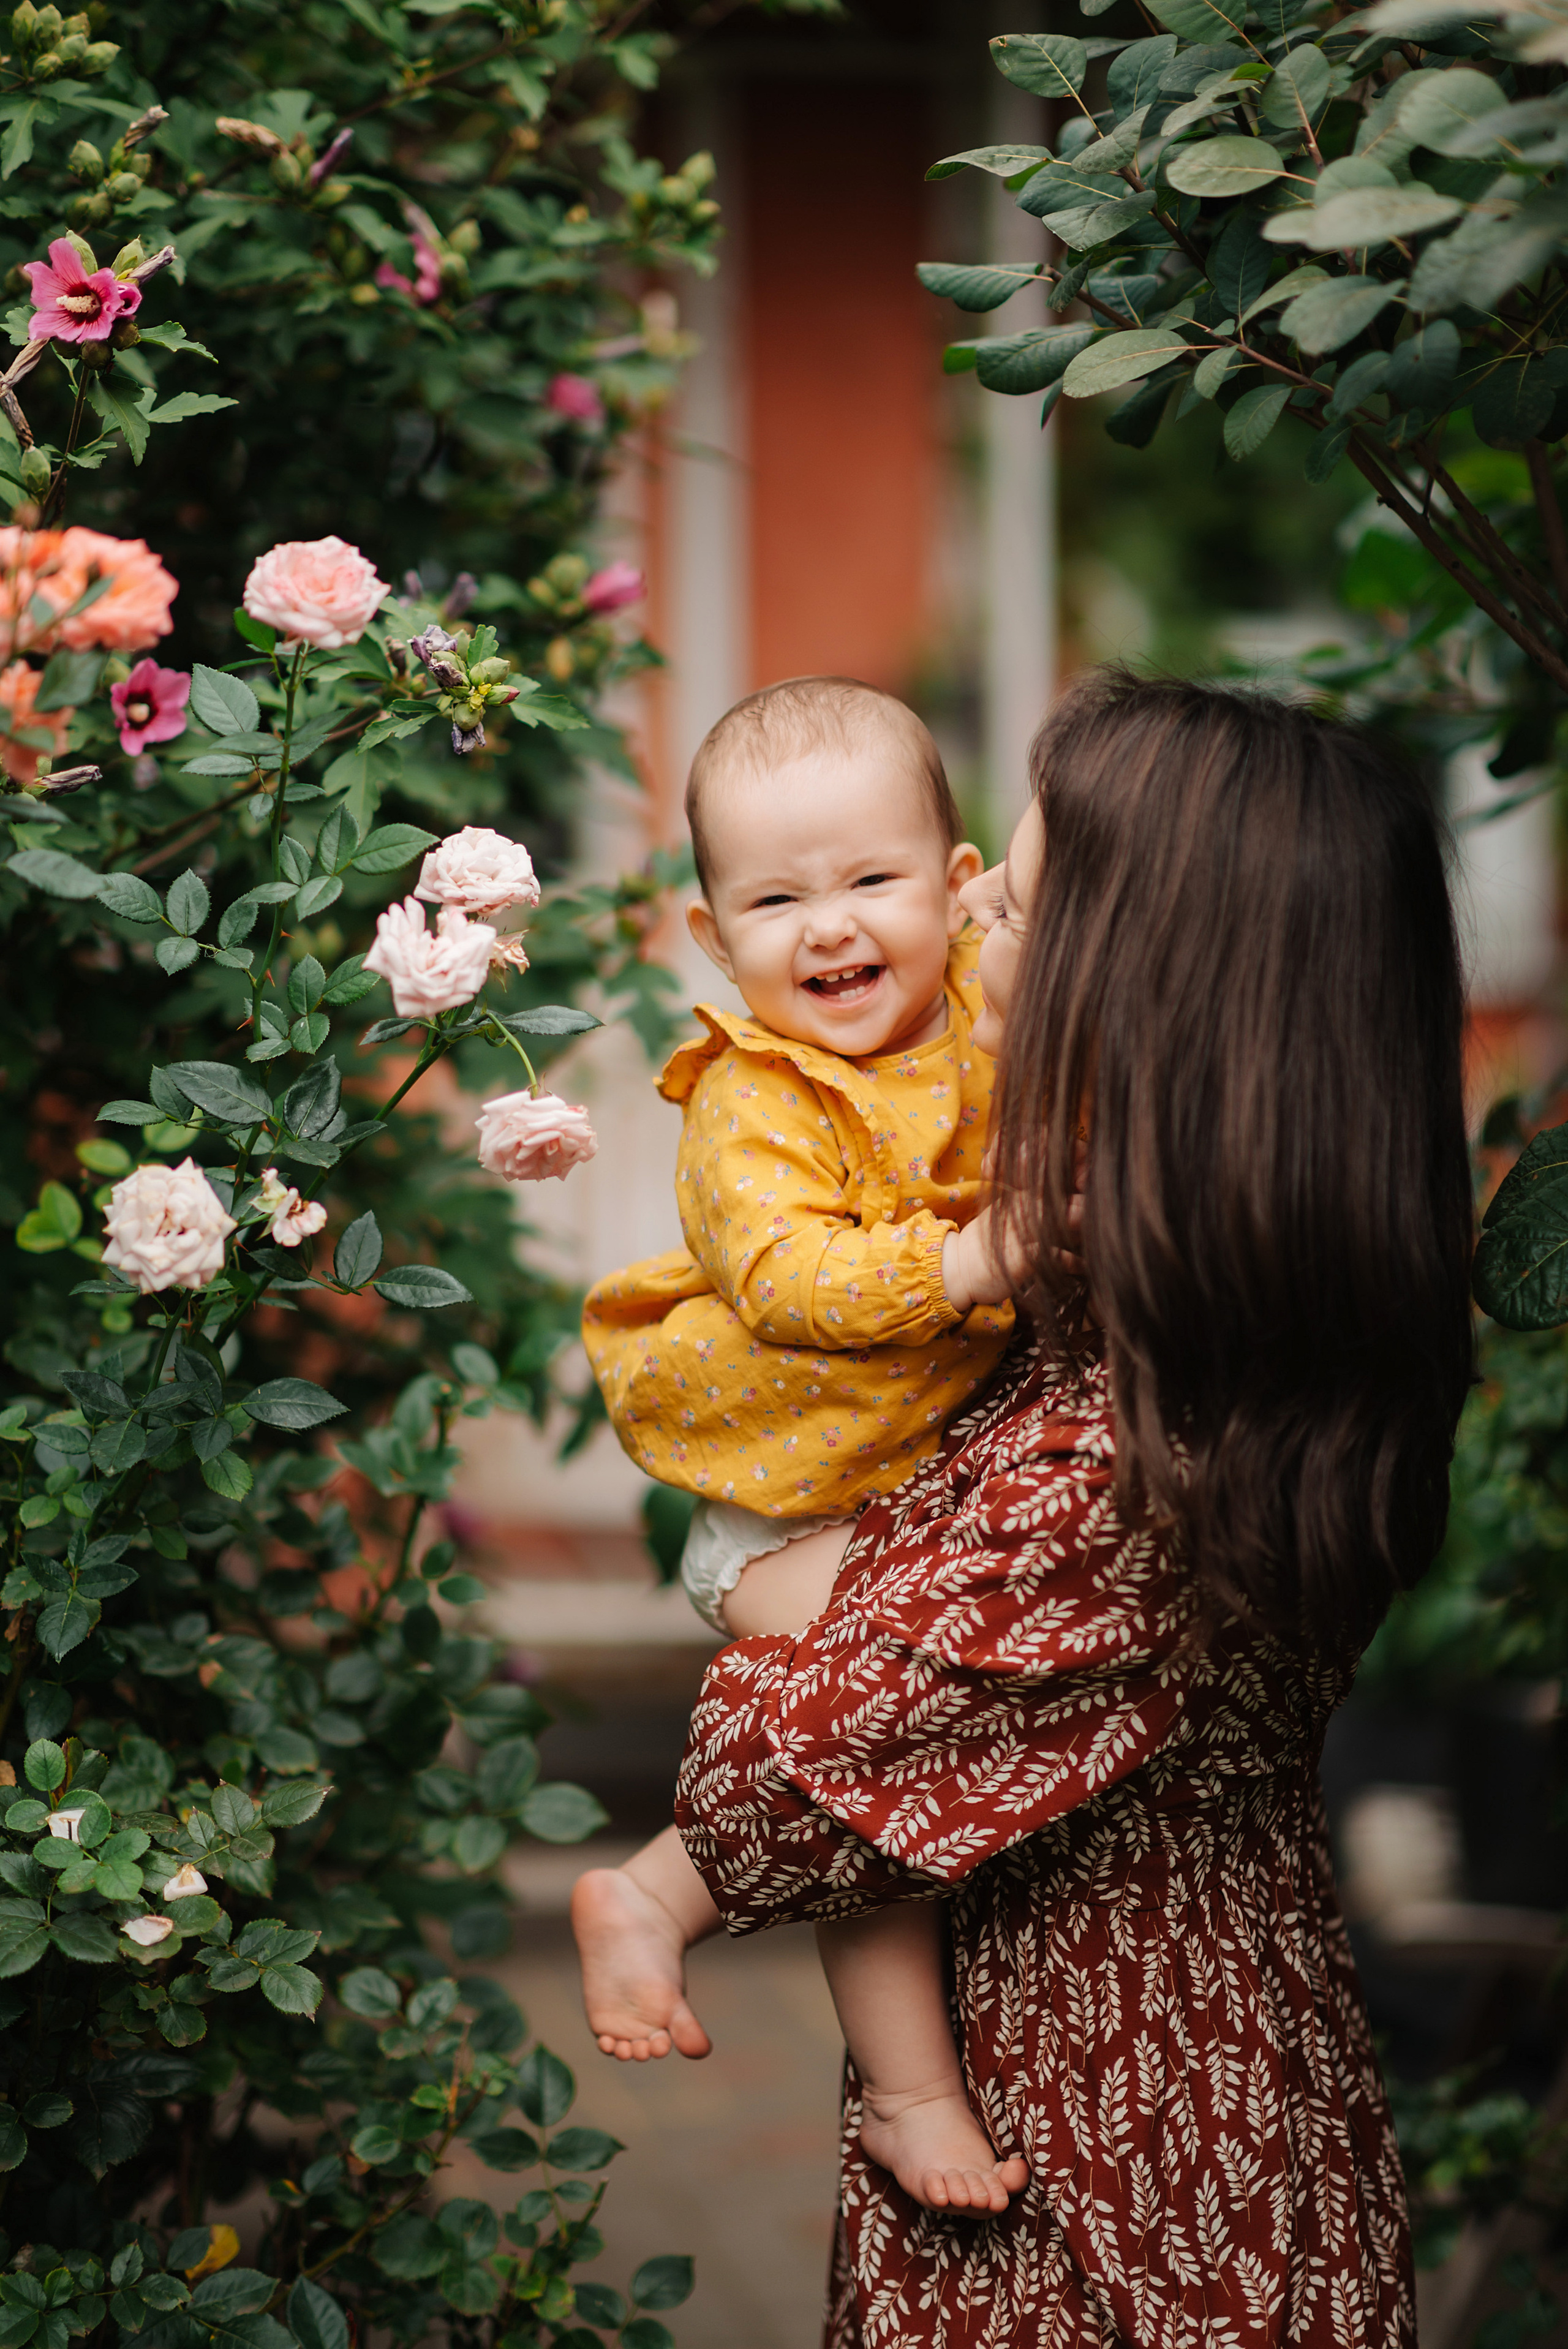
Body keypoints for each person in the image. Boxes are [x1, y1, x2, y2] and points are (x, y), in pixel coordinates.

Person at [671, 671, 1476, 2347]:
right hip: (1138, 2094)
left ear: (1151, 991)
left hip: (1117, 2153)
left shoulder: (1147, 1442)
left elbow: (766, 1775)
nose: (968, 925)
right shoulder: (1174, 1332)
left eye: (1018, 906)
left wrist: (784, 1585)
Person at [575, 676, 1027, 2212]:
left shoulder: (987, 1000)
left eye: (869, 880)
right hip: (784, 1515)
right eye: (774, 901)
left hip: (914, 1482)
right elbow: (782, 1279)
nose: (828, 928)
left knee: (912, 1721)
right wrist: (967, 1261)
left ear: (956, 891)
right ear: (714, 939)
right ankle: (882, 2071)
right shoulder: (753, 1095)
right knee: (874, 1732)